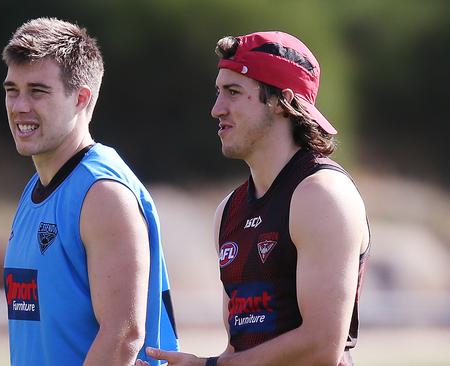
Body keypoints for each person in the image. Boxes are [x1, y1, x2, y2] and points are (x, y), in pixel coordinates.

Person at [137, 31, 370, 366]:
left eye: (233, 92)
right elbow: (241, 351)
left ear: (281, 101)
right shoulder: (228, 211)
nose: (217, 109)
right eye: (218, 92)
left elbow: (321, 347)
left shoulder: (321, 195)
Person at [1, 17, 178, 366]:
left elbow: (123, 336)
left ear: (81, 98)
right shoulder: (36, 190)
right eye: (12, 90)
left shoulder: (103, 194)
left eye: (37, 91)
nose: (20, 105)